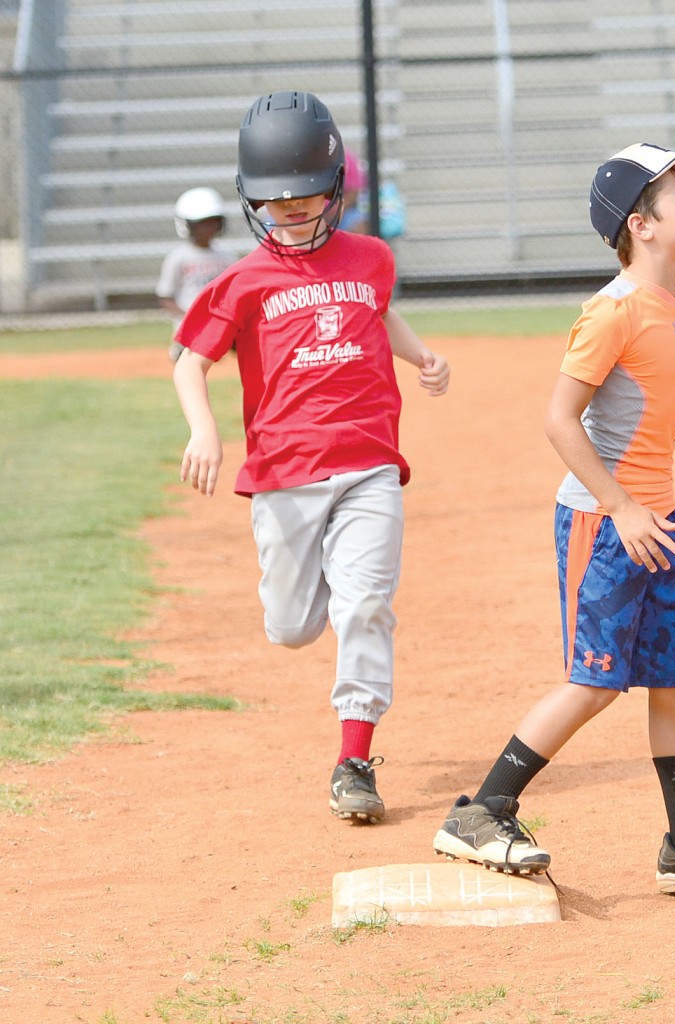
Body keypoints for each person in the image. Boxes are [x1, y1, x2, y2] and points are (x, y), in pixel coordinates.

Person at [432, 138, 675, 894]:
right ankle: (482, 810)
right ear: (643, 224)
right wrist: (621, 506)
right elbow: (561, 420)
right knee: (594, 680)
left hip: (656, 521)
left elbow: (659, 419)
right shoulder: (612, 313)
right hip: (605, 525)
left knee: (674, 681)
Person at [171, 91, 450, 825]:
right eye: (274, 201)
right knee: (291, 627)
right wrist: (204, 431)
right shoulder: (240, 282)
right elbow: (187, 364)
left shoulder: (371, 258)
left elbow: (377, 308)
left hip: (368, 465)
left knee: (365, 606)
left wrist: (423, 358)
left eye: (305, 197)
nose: (291, 210)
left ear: (335, 189)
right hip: (284, 476)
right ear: (249, 199)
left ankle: (353, 759)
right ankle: (323, 576)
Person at [156, 187, 235, 362]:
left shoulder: (227, 257)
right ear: (187, 225)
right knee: (188, 360)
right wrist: (190, 317)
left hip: (219, 324)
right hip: (188, 328)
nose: (208, 228)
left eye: (213, 222)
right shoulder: (178, 258)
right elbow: (165, 297)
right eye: (201, 223)